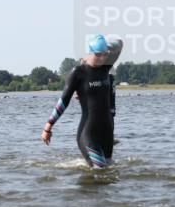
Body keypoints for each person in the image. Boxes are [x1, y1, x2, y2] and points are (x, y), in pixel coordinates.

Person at [41, 34, 123, 167]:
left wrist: (104, 45)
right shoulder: (79, 72)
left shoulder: (106, 67)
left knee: (109, 172)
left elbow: (119, 42)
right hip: (88, 133)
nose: (102, 58)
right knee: (100, 169)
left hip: (107, 131)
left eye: (104, 54)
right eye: (98, 54)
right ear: (90, 52)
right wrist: (48, 127)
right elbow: (64, 101)